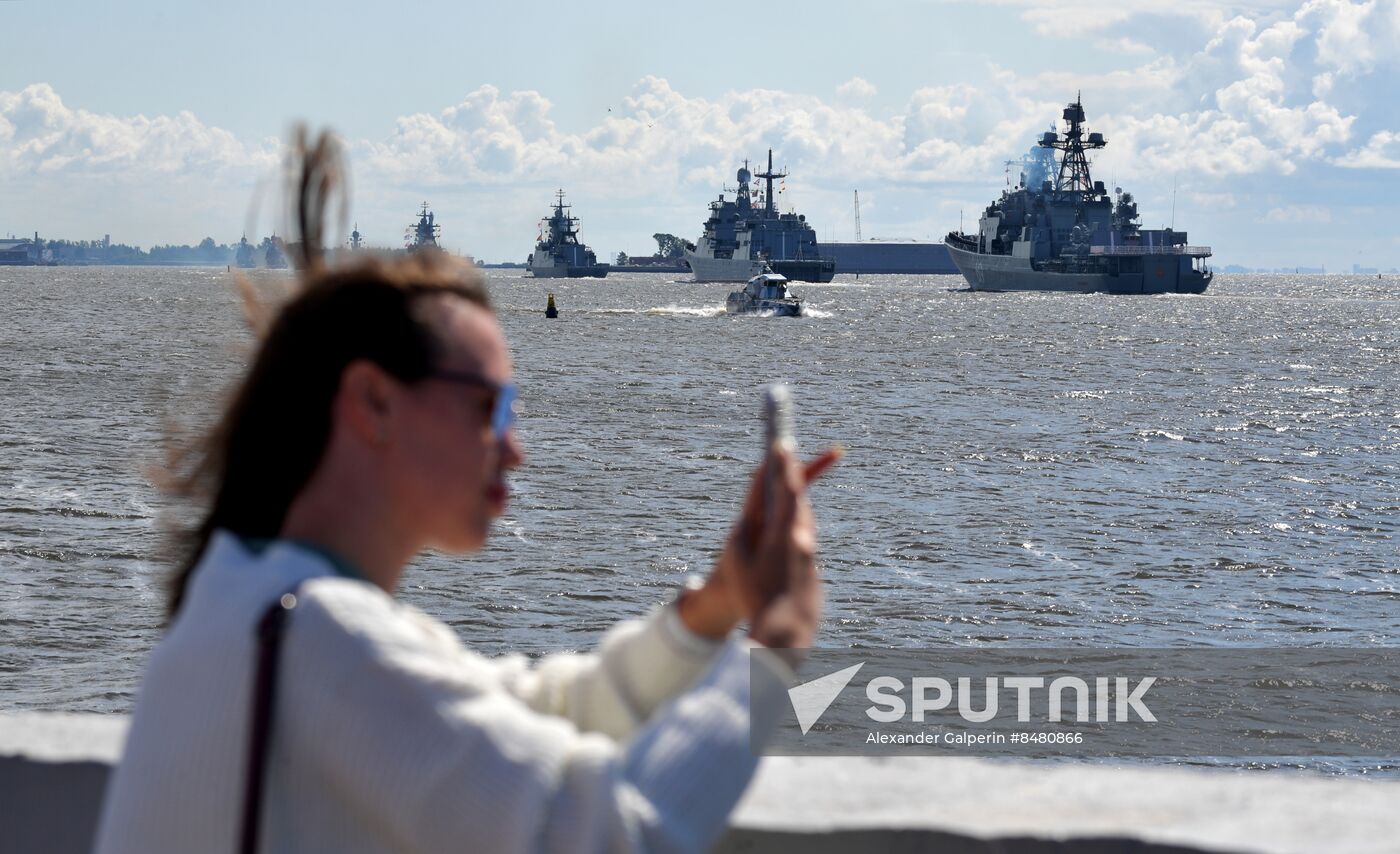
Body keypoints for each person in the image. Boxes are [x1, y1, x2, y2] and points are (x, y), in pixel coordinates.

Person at [93, 130, 840, 853]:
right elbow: (622, 838)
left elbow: (548, 715)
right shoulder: (329, 644)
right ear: (374, 404)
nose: (516, 446)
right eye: (490, 408)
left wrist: (710, 610)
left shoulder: (264, 599)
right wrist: (774, 647)